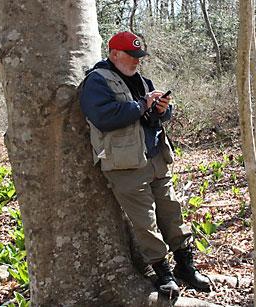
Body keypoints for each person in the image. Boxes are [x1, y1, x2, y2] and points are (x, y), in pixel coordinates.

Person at [79, 31, 210, 298]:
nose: (137, 61)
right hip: (125, 165)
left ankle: (186, 266)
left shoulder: (141, 79)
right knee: (145, 222)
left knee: (172, 212)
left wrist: (161, 109)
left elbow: (153, 115)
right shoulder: (96, 81)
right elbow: (103, 116)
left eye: (139, 56)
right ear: (114, 54)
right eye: (132, 56)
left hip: (156, 158)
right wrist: (142, 105)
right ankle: (164, 274)